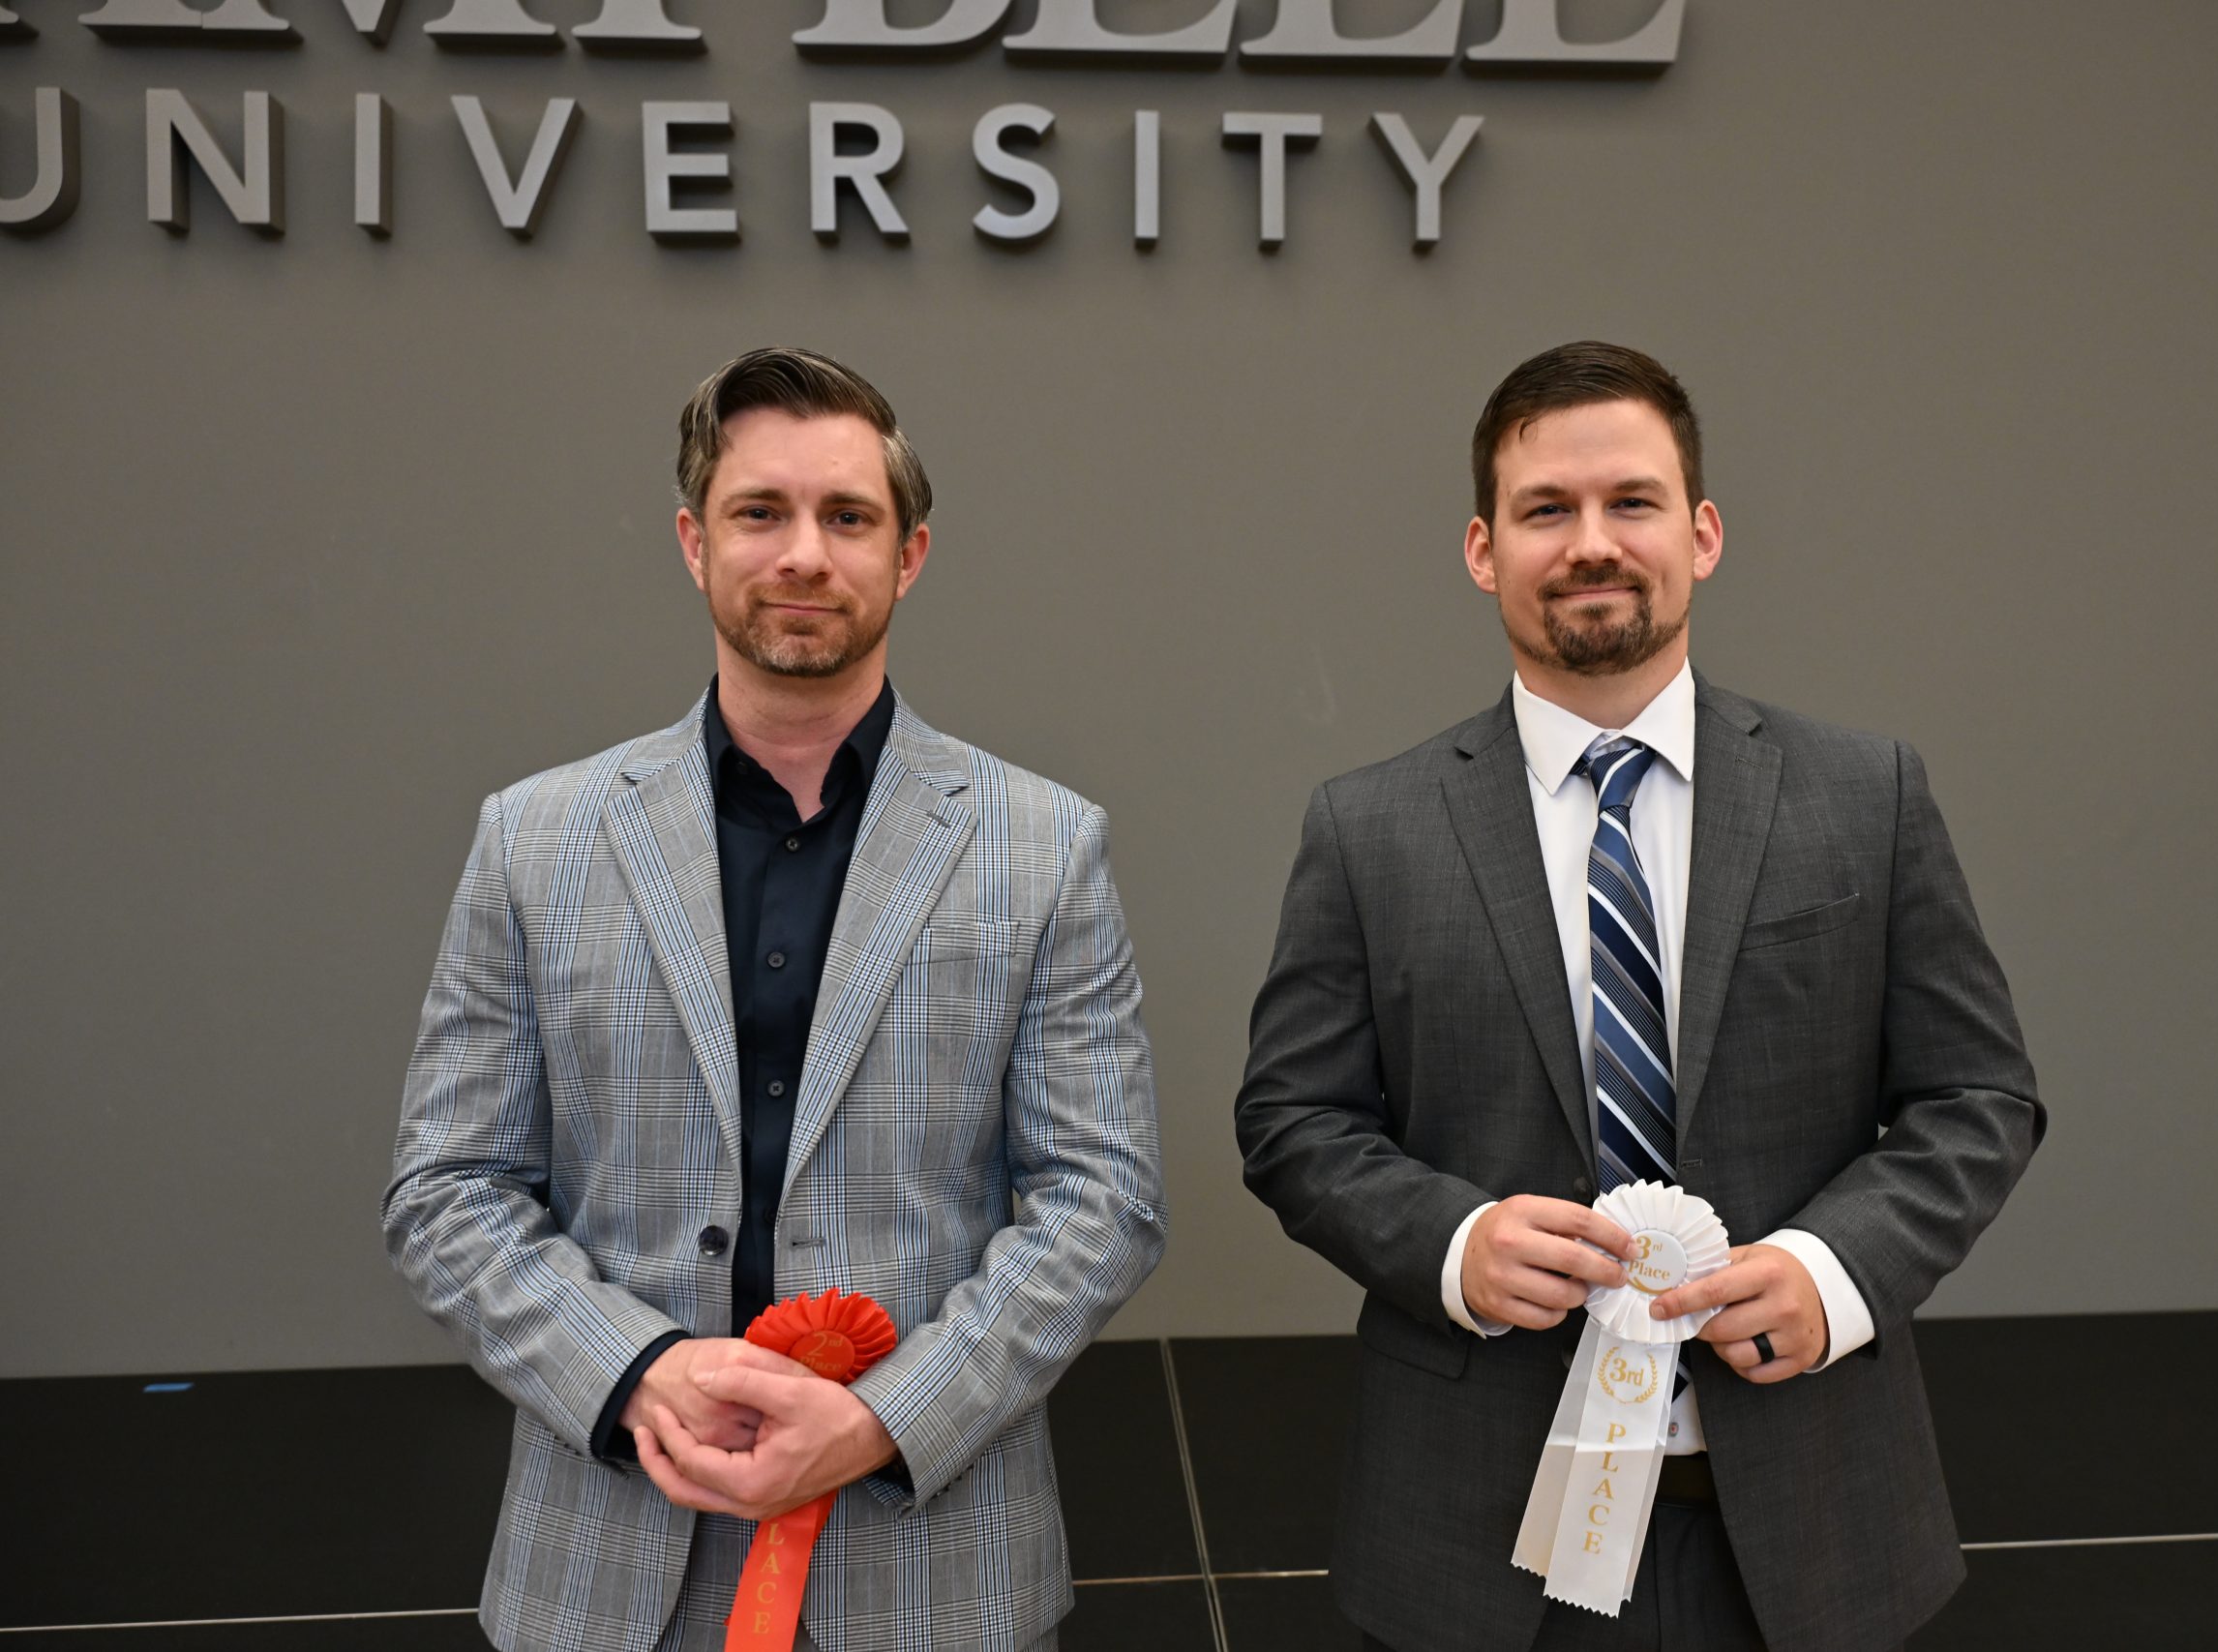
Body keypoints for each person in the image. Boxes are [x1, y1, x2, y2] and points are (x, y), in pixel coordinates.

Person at [1234, 342, 2043, 1652]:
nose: (1592, 543)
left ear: (1704, 532)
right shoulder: (1368, 829)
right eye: (1547, 510)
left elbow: (1979, 1095)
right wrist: (1454, 1243)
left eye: (1633, 502)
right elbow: (1293, 1124)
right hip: (1475, 1532)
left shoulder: (1865, 796)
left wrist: (1836, 1269)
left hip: (1810, 1516)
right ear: (1483, 549)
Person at [386, 346, 1166, 1652]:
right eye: (762, 513)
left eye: (847, 517)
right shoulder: (538, 839)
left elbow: (1105, 1200)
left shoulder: (1043, 845)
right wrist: (638, 1372)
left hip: (930, 1572)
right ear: (695, 542)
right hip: (606, 1562)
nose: (804, 553)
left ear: (909, 555)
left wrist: (881, 1418)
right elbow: (447, 1190)